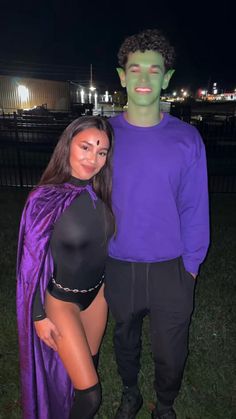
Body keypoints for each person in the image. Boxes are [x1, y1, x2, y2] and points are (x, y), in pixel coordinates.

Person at [104, 29, 210, 419]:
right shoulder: (103, 137)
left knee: (171, 348)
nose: (144, 79)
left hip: (172, 269)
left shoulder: (187, 139)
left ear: (167, 78)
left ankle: (165, 404)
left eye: (154, 70)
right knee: (124, 339)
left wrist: (191, 268)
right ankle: (130, 392)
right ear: (122, 76)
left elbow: (195, 206)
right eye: (135, 69)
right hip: (119, 263)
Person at [16, 116, 114, 419]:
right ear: (67, 145)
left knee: (87, 370)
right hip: (63, 302)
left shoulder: (100, 195)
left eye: (101, 152)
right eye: (85, 147)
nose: (93, 158)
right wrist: (38, 316)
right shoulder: (43, 198)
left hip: (97, 298)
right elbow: (28, 265)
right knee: (91, 395)